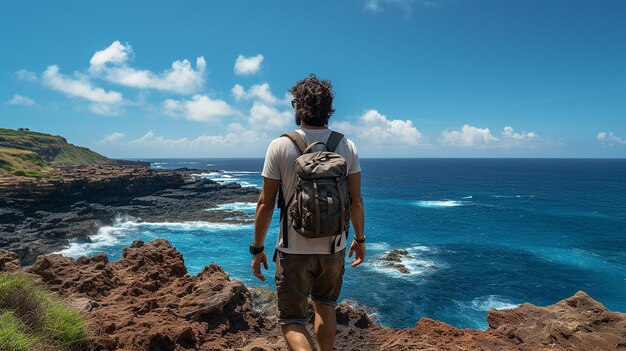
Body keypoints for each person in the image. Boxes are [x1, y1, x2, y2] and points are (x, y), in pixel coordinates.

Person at [251, 74, 366, 351]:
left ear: (297, 107)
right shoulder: (346, 145)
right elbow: (356, 201)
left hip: (293, 250)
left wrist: (257, 249)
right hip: (333, 247)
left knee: (291, 320)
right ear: (329, 109)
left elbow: (265, 204)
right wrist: (360, 241)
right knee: (325, 305)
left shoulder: (280, 145)